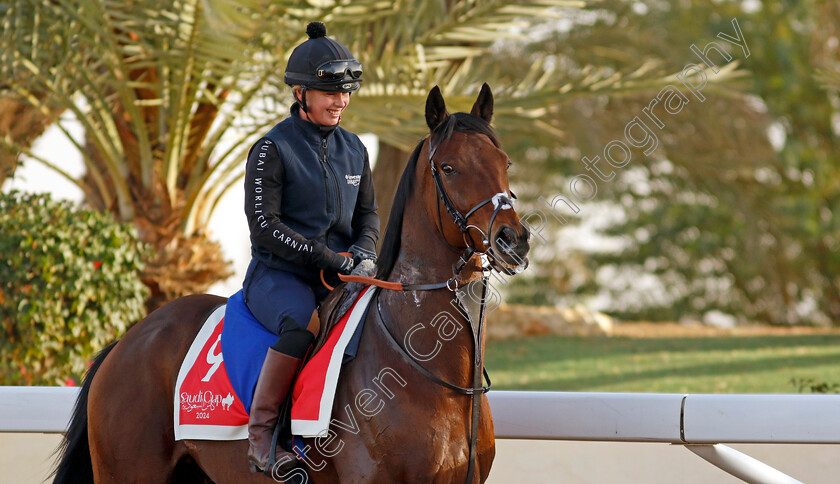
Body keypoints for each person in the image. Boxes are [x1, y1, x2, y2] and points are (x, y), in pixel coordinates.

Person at [242, 21, 379, 474]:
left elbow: (368, 217)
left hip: (344, 272)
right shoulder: (271, 149)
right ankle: (264, 435)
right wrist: (326, 258)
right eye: (329, 94)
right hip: (280, 276)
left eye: (346, 93)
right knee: (302, 327)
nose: (340, 102)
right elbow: (264, 226)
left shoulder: (355, 148)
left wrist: (365, 250)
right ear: (301, 94)